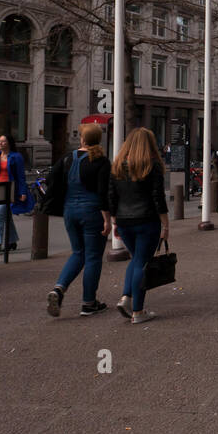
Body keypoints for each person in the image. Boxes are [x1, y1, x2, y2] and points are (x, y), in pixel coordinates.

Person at [46, 123, 111, 315]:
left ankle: (59, 288)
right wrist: (107, 219)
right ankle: (89, 302)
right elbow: (103, 193)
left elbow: (51, 179)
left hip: (70, 211)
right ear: (98, 140)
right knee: (92, 257)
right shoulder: (101, 161)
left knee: (77, 253)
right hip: (92, 212)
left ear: (82, 139)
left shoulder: (67, 158)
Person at [108, 127, 170, 323]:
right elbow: (157, 197)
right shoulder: (152, 166)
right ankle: (138, 311)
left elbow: (111, 197)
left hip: (125, 221)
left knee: (136, 259)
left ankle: (126, 297)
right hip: (147, 220)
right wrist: (166, 225)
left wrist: (115, 220)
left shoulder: (117, 165)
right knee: (142, 263)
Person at [0, 133, 29, 254]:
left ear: (9, 143)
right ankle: (12, 241)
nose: (0, 143)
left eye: (3, 141)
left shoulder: (16, 157)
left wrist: (23, 192)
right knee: (6, 216)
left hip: (11, 189)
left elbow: (21, 176)